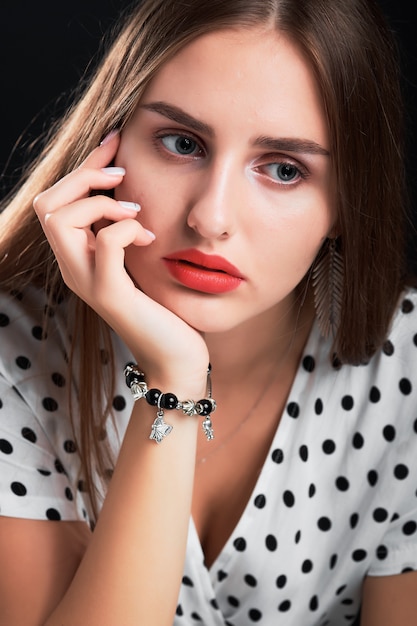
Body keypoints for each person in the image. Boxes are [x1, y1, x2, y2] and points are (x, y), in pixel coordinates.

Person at [0, 0, 416, 623]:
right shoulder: (14, 354)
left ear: (347, 201)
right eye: (181, 143)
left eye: (283, 169)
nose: (211, 218)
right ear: (106, 149)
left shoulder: (405, 360)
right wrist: (173, 380)